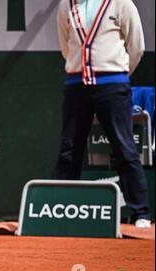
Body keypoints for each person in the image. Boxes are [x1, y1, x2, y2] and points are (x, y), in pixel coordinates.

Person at [54, 0, 152, 228]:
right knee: (69, 150)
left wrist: (116, 74)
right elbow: (65, 46)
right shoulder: (65, 6)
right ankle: (61, 211)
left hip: (112, 84)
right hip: (76, 84)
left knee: (124, 147)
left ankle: (141, 213)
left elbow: (136, 47)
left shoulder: (121, 3)